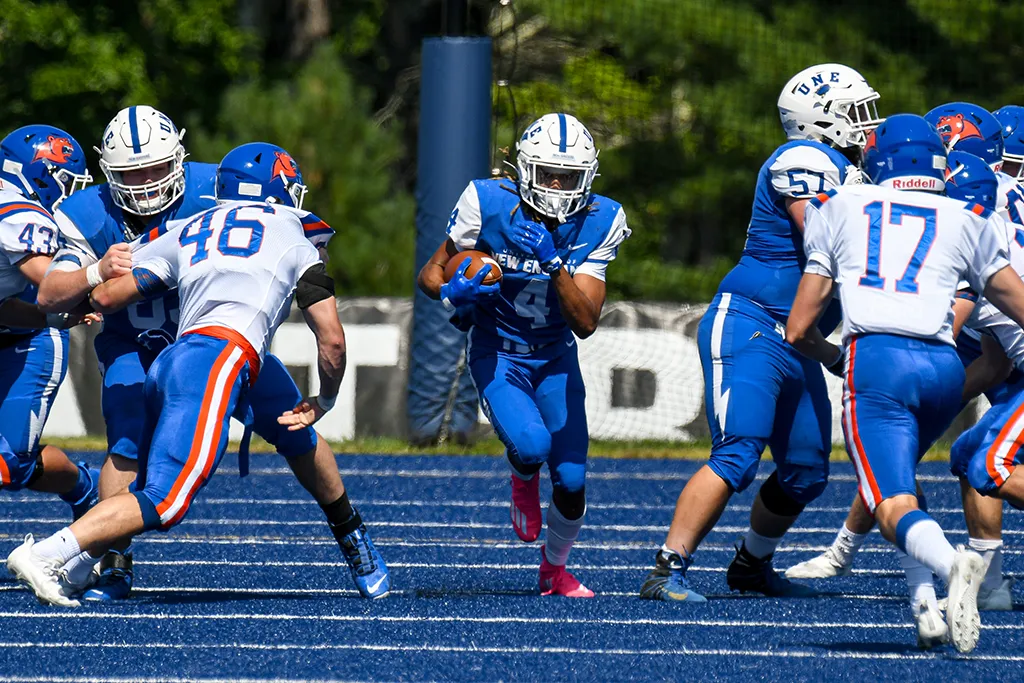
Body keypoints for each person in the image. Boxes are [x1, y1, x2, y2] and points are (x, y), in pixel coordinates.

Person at [37, 107, 389, 600]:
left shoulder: (219, 186)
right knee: (128, 446)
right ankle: (114, 562)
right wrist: (95, 271)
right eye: (131, 174)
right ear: (107, 173)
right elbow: (54, 295)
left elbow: (289, 224)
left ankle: (351, 532)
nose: (145, 184)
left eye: (157, 170)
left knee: (293, 428)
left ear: (180, 160)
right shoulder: (87, 213)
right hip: (137, 342)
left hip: (218, 332)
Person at [639, 64, 881, 603]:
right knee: (737, 454)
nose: (868, 124)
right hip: (752, 323)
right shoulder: (803, 159)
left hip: (800, 337)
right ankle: (666, 569)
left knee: (805, 471)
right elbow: (820, 229)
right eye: (856, 113)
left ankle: (751, 564)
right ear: (820, 122)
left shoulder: (853, 171)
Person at [785, 113, 1024, 654]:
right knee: (899, 480)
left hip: (877, 360)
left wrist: (831, 354)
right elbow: (1014, 299)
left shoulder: (841, 207)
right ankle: (924, 612)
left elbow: (799, 327)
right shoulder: (968, 216)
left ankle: (950, 566)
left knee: (889, 497)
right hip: (942, 367)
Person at [417, 113, 630, 597]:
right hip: (500, 352)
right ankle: (521, 473)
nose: (556, 186)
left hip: (555, 356)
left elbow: (586, 322)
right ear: (525, 171)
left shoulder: (600, 219)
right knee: (533, 446)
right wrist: (456, 288)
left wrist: (555, 265)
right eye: (548, 174)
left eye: (568, 177)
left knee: (573, 480)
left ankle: (554, 571)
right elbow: (430, 275)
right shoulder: (489, 202)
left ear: (588, 177)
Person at [0, 125, 100, 519]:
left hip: (26, 343)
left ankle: (83, 486)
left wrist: (89, 291)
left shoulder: (19, 213)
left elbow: (51, 283)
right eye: (67, 181)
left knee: (9, 465)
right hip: (16, 321)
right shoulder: (16, 209)